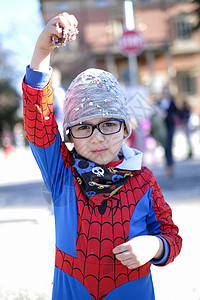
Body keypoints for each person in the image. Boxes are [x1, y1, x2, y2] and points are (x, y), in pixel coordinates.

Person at [22, 12, 182, 300]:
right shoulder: (62, 174)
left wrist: (154, 246)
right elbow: (39, 122)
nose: (97, 138)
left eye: (108, 124)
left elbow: (171, 235)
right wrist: (41, 52)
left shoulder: (143, 180)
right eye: (83, 127)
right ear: (69, 135)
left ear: (126, 129)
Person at [158, 86, 180, 176]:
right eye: (164, 91)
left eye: (167, 92)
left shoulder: (171, 102)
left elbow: (177, 112)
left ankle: (170, 166)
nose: (165, 93)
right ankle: (168, 165)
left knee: (169, 146)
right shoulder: (159, 103)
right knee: (165, 147)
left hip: (170, 127)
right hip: (162, 128)